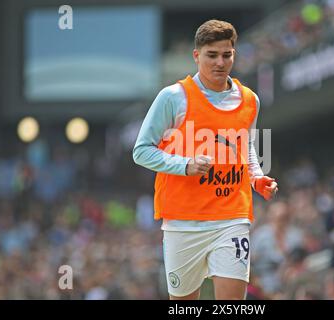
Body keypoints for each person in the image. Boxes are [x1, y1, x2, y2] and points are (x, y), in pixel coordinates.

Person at [133, 19, 277, 300]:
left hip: (231, 216)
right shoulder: (173, 97)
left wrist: (257, 177)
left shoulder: (250, 100)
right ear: (196, 55)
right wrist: (185, 165)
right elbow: (141, 150)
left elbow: (245, 148)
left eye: (227, 55)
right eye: (212, 55)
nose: (220, 62)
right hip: (183, 221)